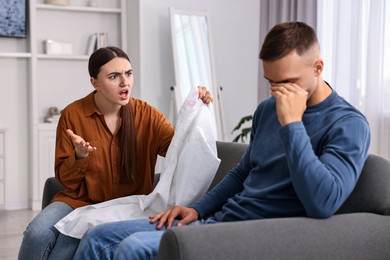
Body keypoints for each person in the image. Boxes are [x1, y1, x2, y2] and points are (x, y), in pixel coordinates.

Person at [73, 21, 371, 260]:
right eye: (271, 83)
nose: (277, 93)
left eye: (288, 83)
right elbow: (243, 172)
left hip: (260, 233)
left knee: (134, 248)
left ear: (318, 68)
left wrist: (292, 124)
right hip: (222, 220)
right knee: (98, 236)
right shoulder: (269, 109)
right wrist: (199, 208)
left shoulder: (347, 124)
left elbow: (323, 203)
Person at [18, 46, 213, 260]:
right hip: (79, 200)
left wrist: (195, 110)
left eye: (128, 73)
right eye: (114, 76)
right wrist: (80, 156)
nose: (125, 82)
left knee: (67, 243)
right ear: (95, 82)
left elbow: (180, 151)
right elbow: (66, 180)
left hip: (126, 206)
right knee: (36, 233)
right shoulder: (73, 115)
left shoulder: (147, 116)